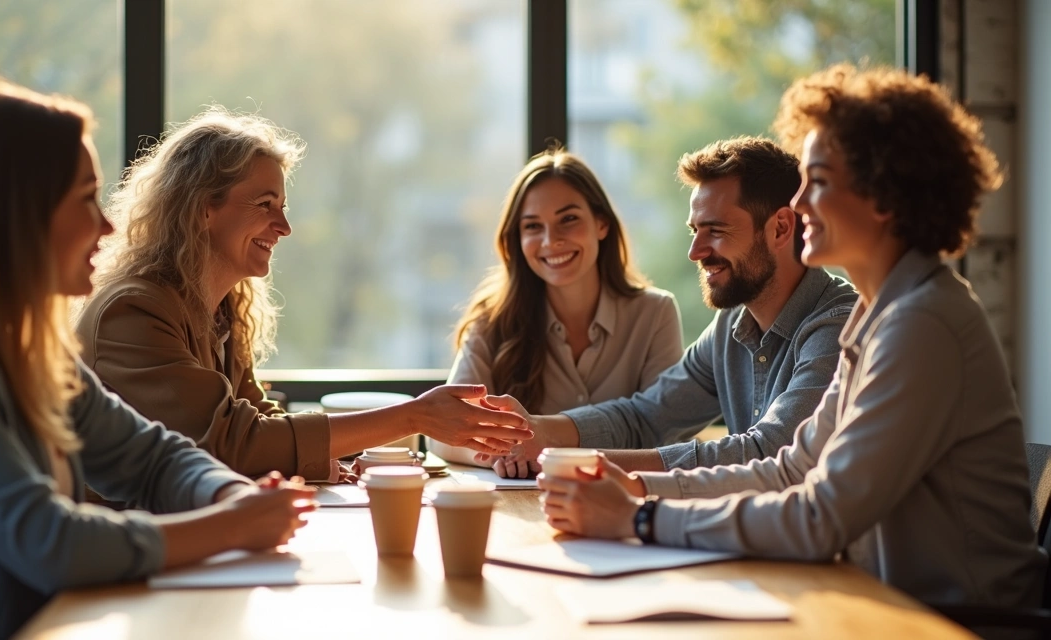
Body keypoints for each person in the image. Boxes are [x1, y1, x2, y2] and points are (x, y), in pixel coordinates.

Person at [538, 64, 1045, 610]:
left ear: (884, 196)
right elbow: (791, 470)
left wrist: (639, 516)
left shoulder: (921, 324)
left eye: (819, 181)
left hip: (963, 626)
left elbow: (819, 515)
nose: (799, 205)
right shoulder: (880, 314)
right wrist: (638, 490)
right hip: (884, 607)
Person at [0, 82, 319, 640]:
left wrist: (228, 493)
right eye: (85, 199)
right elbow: (50, 544)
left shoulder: (28, 352)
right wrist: (230, 526)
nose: (107, 225)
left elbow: (151, 457)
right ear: (15, 213)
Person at [76, 107, 531, 483]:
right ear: (203, 210)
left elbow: (257, 418)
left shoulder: (220, 310)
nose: (284, 227)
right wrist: (414, 417)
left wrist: (320, 461)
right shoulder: (133, 312)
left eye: (283, 207)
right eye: (265, 205)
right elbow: (231, 444)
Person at [484, 136, 857, 478]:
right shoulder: (730, 326)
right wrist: (538, 431)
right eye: (695, 231)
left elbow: (771, 453)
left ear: (779, 229)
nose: (695, 252)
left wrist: (574, 462)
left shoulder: (838, 326)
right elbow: (645, 416)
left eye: (716, 230)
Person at [428, 148, 683, 467]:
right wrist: (504, 454)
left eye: (569, 219)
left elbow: (665, 432)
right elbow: (441, 433)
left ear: (601, 224)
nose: (551, 240)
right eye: (533, 226)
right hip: (519, 508)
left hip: (621, 502)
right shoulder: (492, 321)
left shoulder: (655, 314)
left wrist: (550, 454)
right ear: (517, 239)